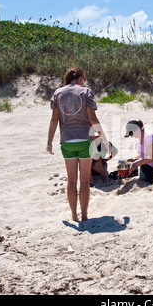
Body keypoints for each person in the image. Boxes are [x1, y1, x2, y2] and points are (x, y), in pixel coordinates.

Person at [47, 67, 109, 222]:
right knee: (84, 180)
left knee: (71, 180)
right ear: (81, 77)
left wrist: (49, 142)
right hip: (84, 141)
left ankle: (74, 215)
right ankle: (85, 215)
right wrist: (103, 138)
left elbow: (54, 120)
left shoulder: (58, 93)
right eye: (84, 78)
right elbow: (92, 118)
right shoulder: (85, 92)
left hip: (67, 141)